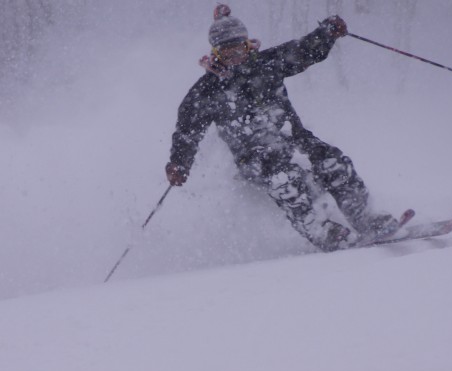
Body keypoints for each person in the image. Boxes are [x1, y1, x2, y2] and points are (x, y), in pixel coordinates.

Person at [165, 4, 399, 251]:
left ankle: (366, 219)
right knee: (285, 178)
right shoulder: (207, 91)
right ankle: (322, 231)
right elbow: (187, 131)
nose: (235, 58)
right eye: (227, 53)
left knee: (333, 162)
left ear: (249, 46)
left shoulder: (268, 64)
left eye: (240, 50)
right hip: (253, 158)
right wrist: (179, 164)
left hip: (294, 140)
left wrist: (327, 33)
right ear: (215, 54)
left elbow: (304, 51)